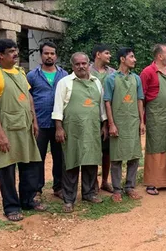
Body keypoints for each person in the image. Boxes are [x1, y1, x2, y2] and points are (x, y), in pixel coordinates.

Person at [0, 39, 45, 222]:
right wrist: (0, 136)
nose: (16, 54)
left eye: (16, 50)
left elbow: (28, 97)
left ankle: (28, 200)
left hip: (25, 127)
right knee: (7, 169)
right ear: (0, 55)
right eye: (11, 51)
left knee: (30, 165)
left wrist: (34, 121)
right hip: (7, 130)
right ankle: (11, 207)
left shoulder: (19, 72)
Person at [52, 52, 107, 212]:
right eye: (78, 64)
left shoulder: (96, 82)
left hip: (92, 129)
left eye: (84, 63)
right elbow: (57, 106)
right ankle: (69, 199)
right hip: (72, 130)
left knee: (91, 160)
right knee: (71, 162)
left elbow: (101, 106)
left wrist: (104, 124)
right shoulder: (65, 83)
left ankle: (89, 193)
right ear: (73, 66)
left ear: (88, 64)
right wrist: (59, 127)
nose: (81, 66)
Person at [27, 41, 68, 201]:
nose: (49, 56)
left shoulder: (64, 75)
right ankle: (37, 189)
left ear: (56, 56)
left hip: (59, 125)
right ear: (41, 55)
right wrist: (32, 121)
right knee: (38, 157)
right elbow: (27, 98)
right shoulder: (32, 76)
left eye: (52, 53)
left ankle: (59, 187)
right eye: (46, 53)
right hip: (40, 124)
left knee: (60, 158)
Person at [104, 47, 145, 203]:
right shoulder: (111, 78)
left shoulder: (137, 78)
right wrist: (111, 124)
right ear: (122, 59)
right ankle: (116, 189)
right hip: (118, 122)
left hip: (133, 121)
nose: (134, 60)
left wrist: (142, 122)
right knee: (116, 157)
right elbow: (107, 102)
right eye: (131, 57)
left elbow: (140, 100)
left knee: (134, 156)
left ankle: (130, 187)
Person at [140, 44, 166, 195]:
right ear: (159, 56)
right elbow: (141, 98)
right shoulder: (147, 72)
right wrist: (141, 120)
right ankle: (153, 182)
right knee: (155, 147)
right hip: (155, 117)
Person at [89, 44, 116, 193]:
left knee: (107, 151)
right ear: (98, 54)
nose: (109, 56)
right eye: (107, 53)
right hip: (91, 117)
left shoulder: (112, 73)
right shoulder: (86, 71)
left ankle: (105, 181)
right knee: (92, 150)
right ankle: (93, 182)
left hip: (108, 116)